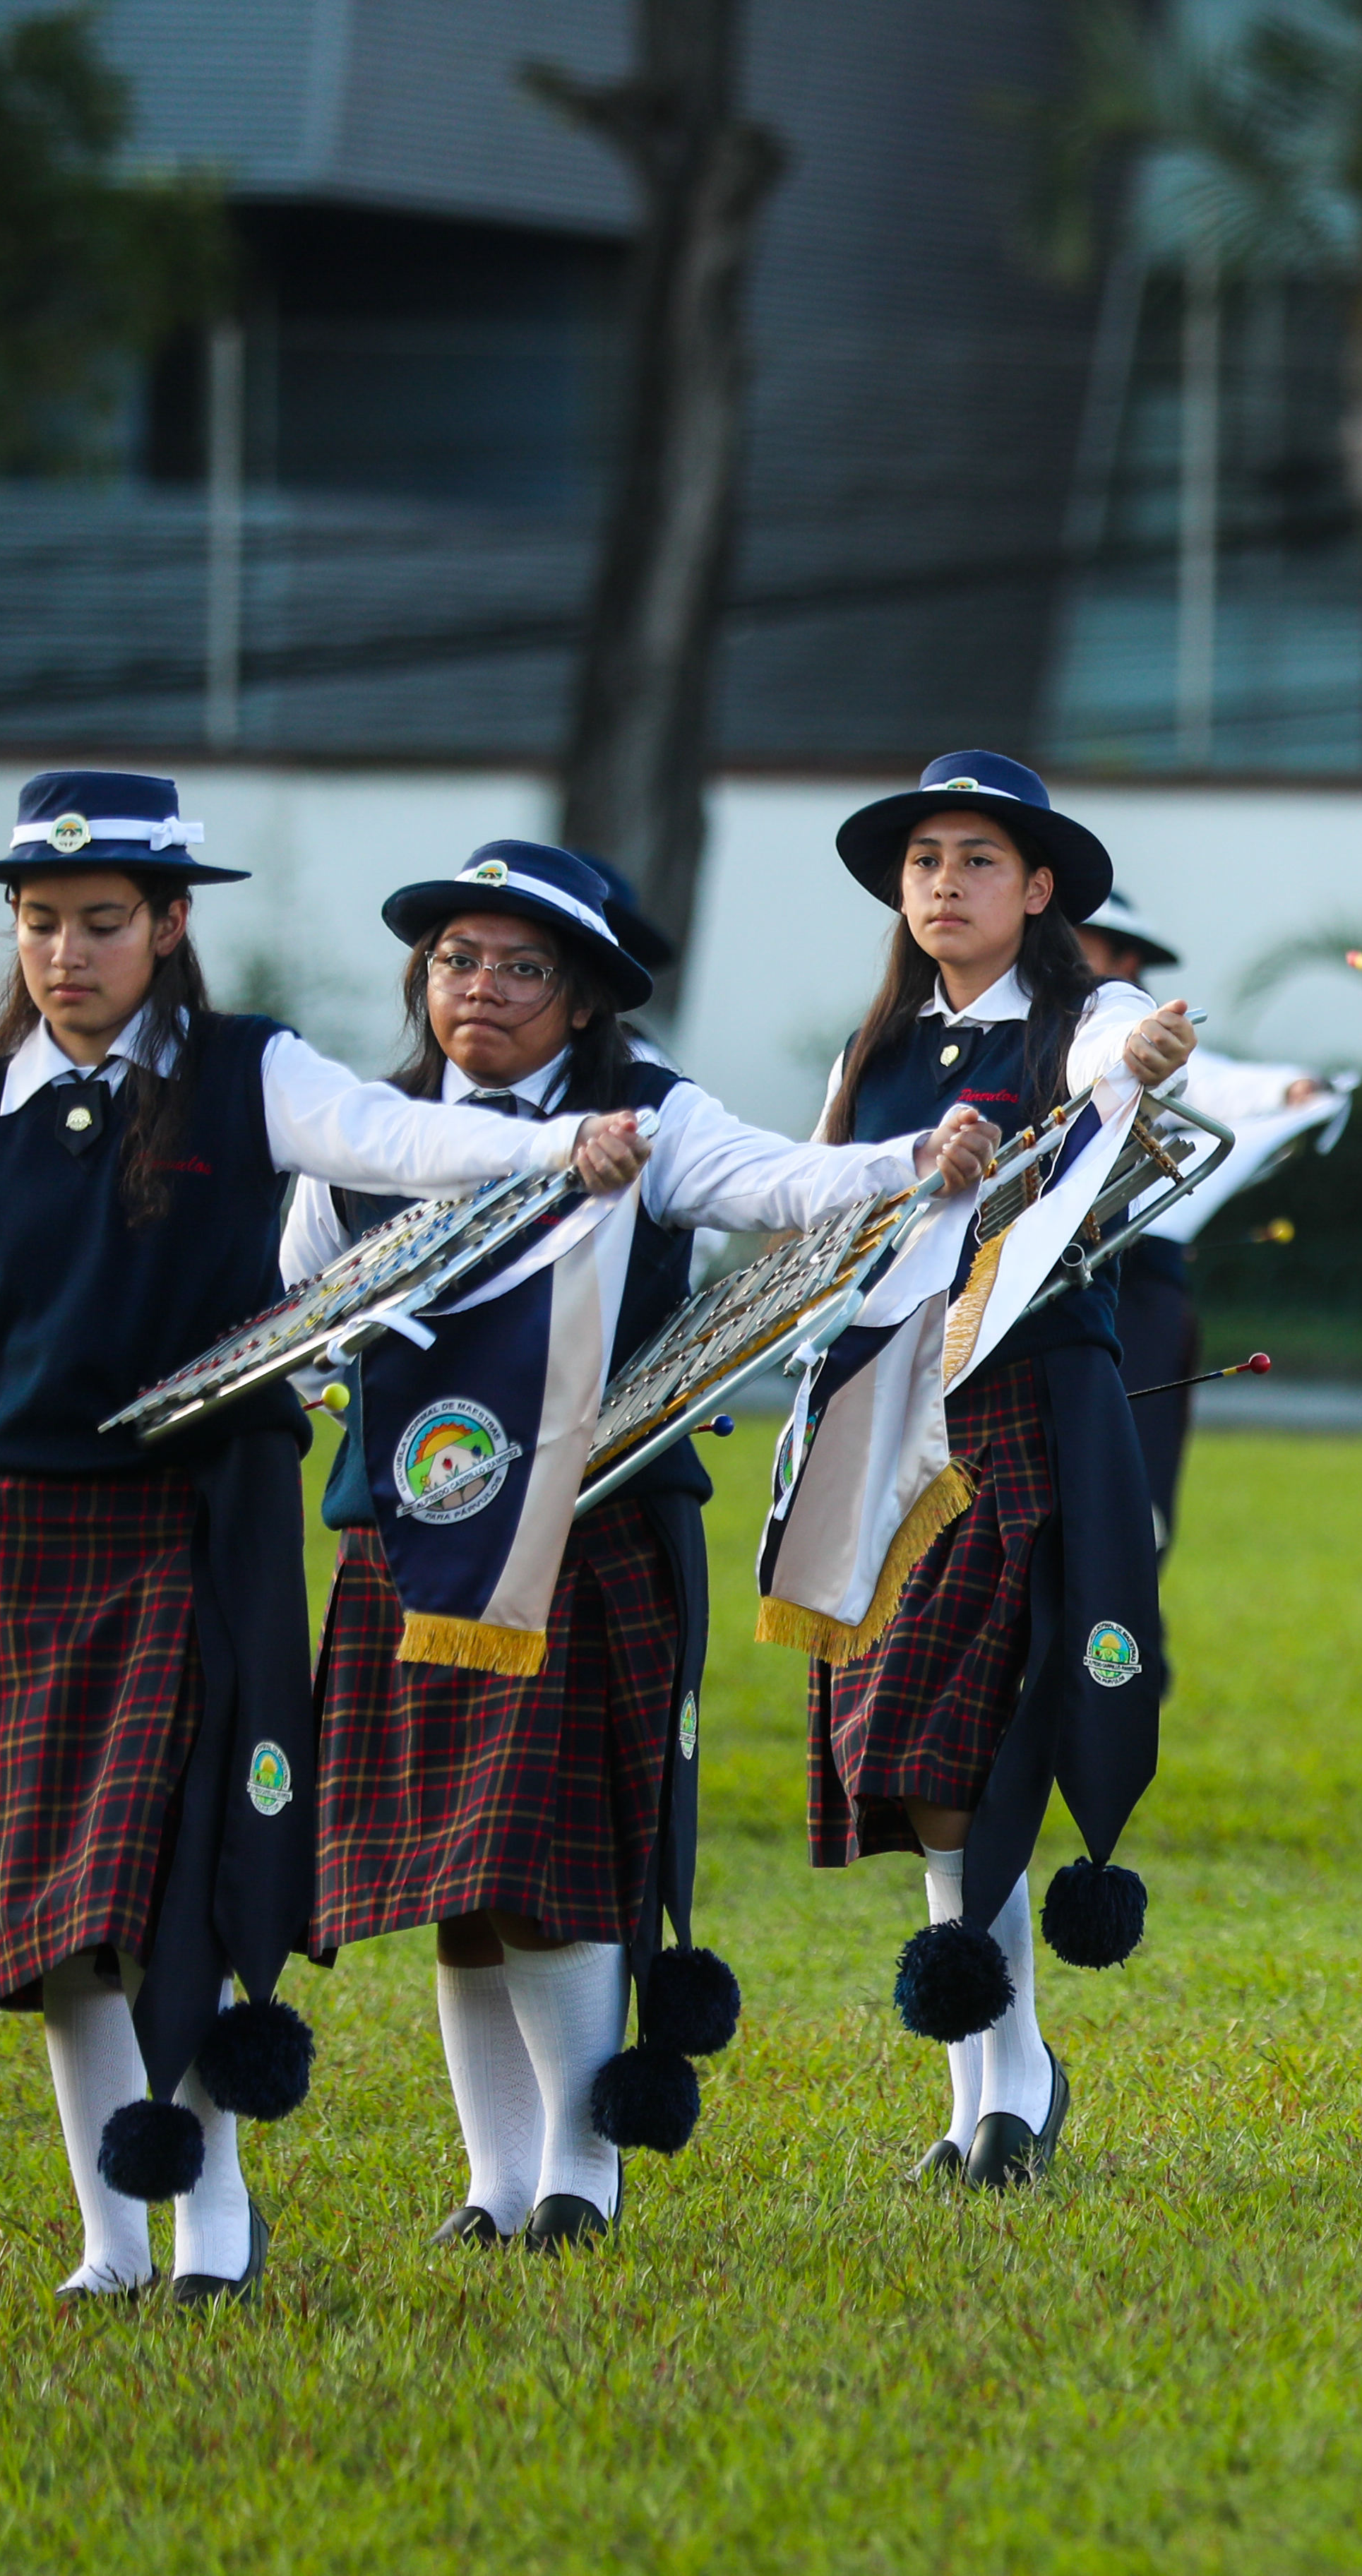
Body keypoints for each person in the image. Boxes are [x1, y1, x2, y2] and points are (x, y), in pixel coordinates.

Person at [0, 773, 651, 2305]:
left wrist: (552, 1155)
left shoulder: (250, 1074)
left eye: (102, 923)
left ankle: (215, 2228)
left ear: (169, 925)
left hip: (206, 1529)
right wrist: (23, 1417)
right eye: (38, 924)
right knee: (59, 1914)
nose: (65, 954)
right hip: (36, 1539)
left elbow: (395, 1141)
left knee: (187, 1883)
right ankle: (108, 2245)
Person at [289, 842, 988, 2254]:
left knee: (555, 1868)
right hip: (412, 1558)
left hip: (593, 1538)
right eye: (454, 960)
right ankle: (493, 2187)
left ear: (589, 995)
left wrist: (911, 1161)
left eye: (521, 966)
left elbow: (784, 1185)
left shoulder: (653, 1111)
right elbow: (295, 1310)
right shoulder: (367, 1124)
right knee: (454, 1883)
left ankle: (578, 2176)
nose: (477, 989)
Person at [800, 752, 1195, 2188]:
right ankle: (999, 2083)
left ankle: (1002, 2097)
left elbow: (1114, 1062)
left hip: (1032, 1410)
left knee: (990, 1738)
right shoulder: (872, 1054)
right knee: (916, 1760)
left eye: (977, 861)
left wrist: (1137, 1059)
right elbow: (820, 1220)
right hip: (892, 1418)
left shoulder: (1084, 1015)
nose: (946, 886)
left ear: (1038, 892)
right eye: (924, 863)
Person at [1075, 887, 1337, 1548]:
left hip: (1137, 1280)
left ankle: (1131, 1646)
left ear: (1126, 957)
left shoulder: (1152, 1041)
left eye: (1083, 939)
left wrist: (1287, 1090)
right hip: (1036, 1286)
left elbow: (1211, 1083)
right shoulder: (1037, 1030)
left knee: (1135, 1493)